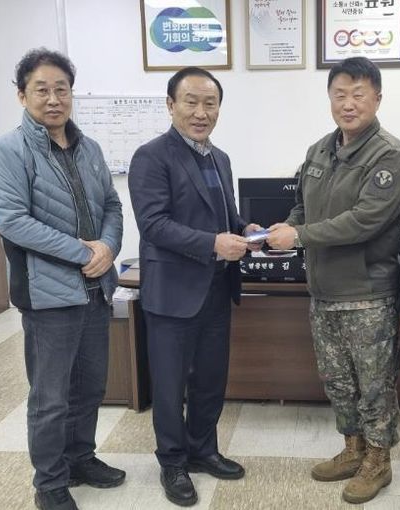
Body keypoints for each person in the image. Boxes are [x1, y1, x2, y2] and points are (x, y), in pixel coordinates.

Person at [0, 48, 125, 510]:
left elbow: (111, 206)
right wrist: (84, 252)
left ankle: (80, 458)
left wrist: (108, 248)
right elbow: (12, 221)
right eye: (41, 90)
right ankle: (49, 482)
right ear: (22, 95)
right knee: (50, 398)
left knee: (91, 387)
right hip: (47, 297)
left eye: (61, 89)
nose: (53, 99)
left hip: (95, 289)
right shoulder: (7, 151)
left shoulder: (90, 148)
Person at [267, 56, 400, 505]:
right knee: (337, 381)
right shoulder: (319, 150)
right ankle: (353, 449)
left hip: (368, 294)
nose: (348, 104)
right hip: (323, 291)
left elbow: (364, 220)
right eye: (339, 94)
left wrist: (300, 235)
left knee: (375, 385)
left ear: (377, 99)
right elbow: (303, 207)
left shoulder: (389, 155)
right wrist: (284, 227)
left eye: (358, 94)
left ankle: (379, 461)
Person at [128, 67, 260, 507]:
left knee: (210, 380)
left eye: (210, 103)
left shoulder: (219, 158)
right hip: (172, 293)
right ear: (171, 105)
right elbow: (154, 224)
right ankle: (172, 461)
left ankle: (203, 450)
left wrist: (246, 228)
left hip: (216, 290)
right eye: (191, 102)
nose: (201, 112)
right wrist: (213, 244)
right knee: (169, 386)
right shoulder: (151, 157)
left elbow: (224, 216)